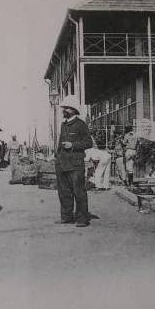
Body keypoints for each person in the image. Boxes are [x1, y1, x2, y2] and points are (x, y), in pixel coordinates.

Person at [55, 95, 93, 227]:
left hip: (76, 165)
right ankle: (66, 217)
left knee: (79, 192)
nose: (63, 110)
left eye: (66, 108)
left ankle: (82, 219)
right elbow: (60, 144)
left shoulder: (81, 125)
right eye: (64, 107)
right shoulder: (63, 125)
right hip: (62, 164)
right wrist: (56, 157)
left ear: (73, 109)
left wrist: (73, 145)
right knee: (64, 192)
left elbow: (89, 143)